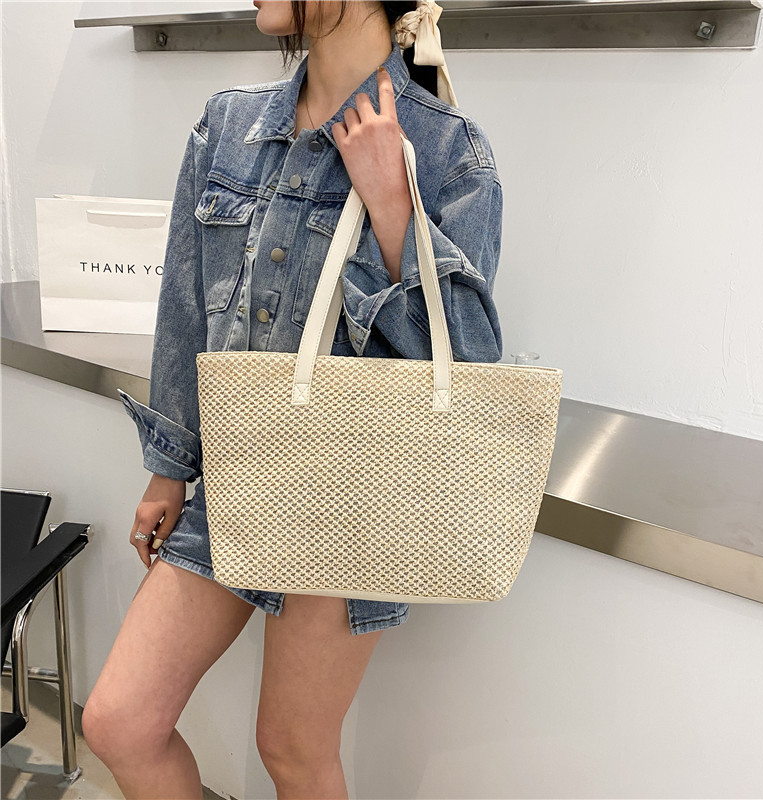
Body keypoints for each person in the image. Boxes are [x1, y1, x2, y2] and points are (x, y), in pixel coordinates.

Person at [83, 1, 504, 797]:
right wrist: (170, 468)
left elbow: (470, 363)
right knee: (119, 722)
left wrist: (392, 204)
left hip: (358, 502)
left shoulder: (447, 149)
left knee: (293, 748)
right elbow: (186, 308)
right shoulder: (228, 126)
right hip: (237, 481)